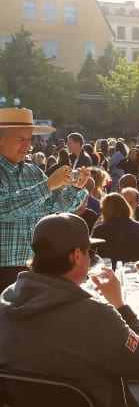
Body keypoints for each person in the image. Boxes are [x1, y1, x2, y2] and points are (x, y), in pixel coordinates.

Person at [0, 212, 139, 407]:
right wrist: (121, 306)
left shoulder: (5, 304)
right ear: (76, 256)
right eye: (90, 252)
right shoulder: (96, 315)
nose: (90, 258)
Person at [0, 108, 88, 291]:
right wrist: (47, 186)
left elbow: (55, 208)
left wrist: (75, 189)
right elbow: (4, 209)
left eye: (29, 139)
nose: (27, 145)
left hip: (33, 268)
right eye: (20, 139)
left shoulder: (33, 171)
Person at [92, 193, 139, 267]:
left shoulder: (100, 229)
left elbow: (91, 254)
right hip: (133, 271)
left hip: (108, 272)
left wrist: (94, 228)